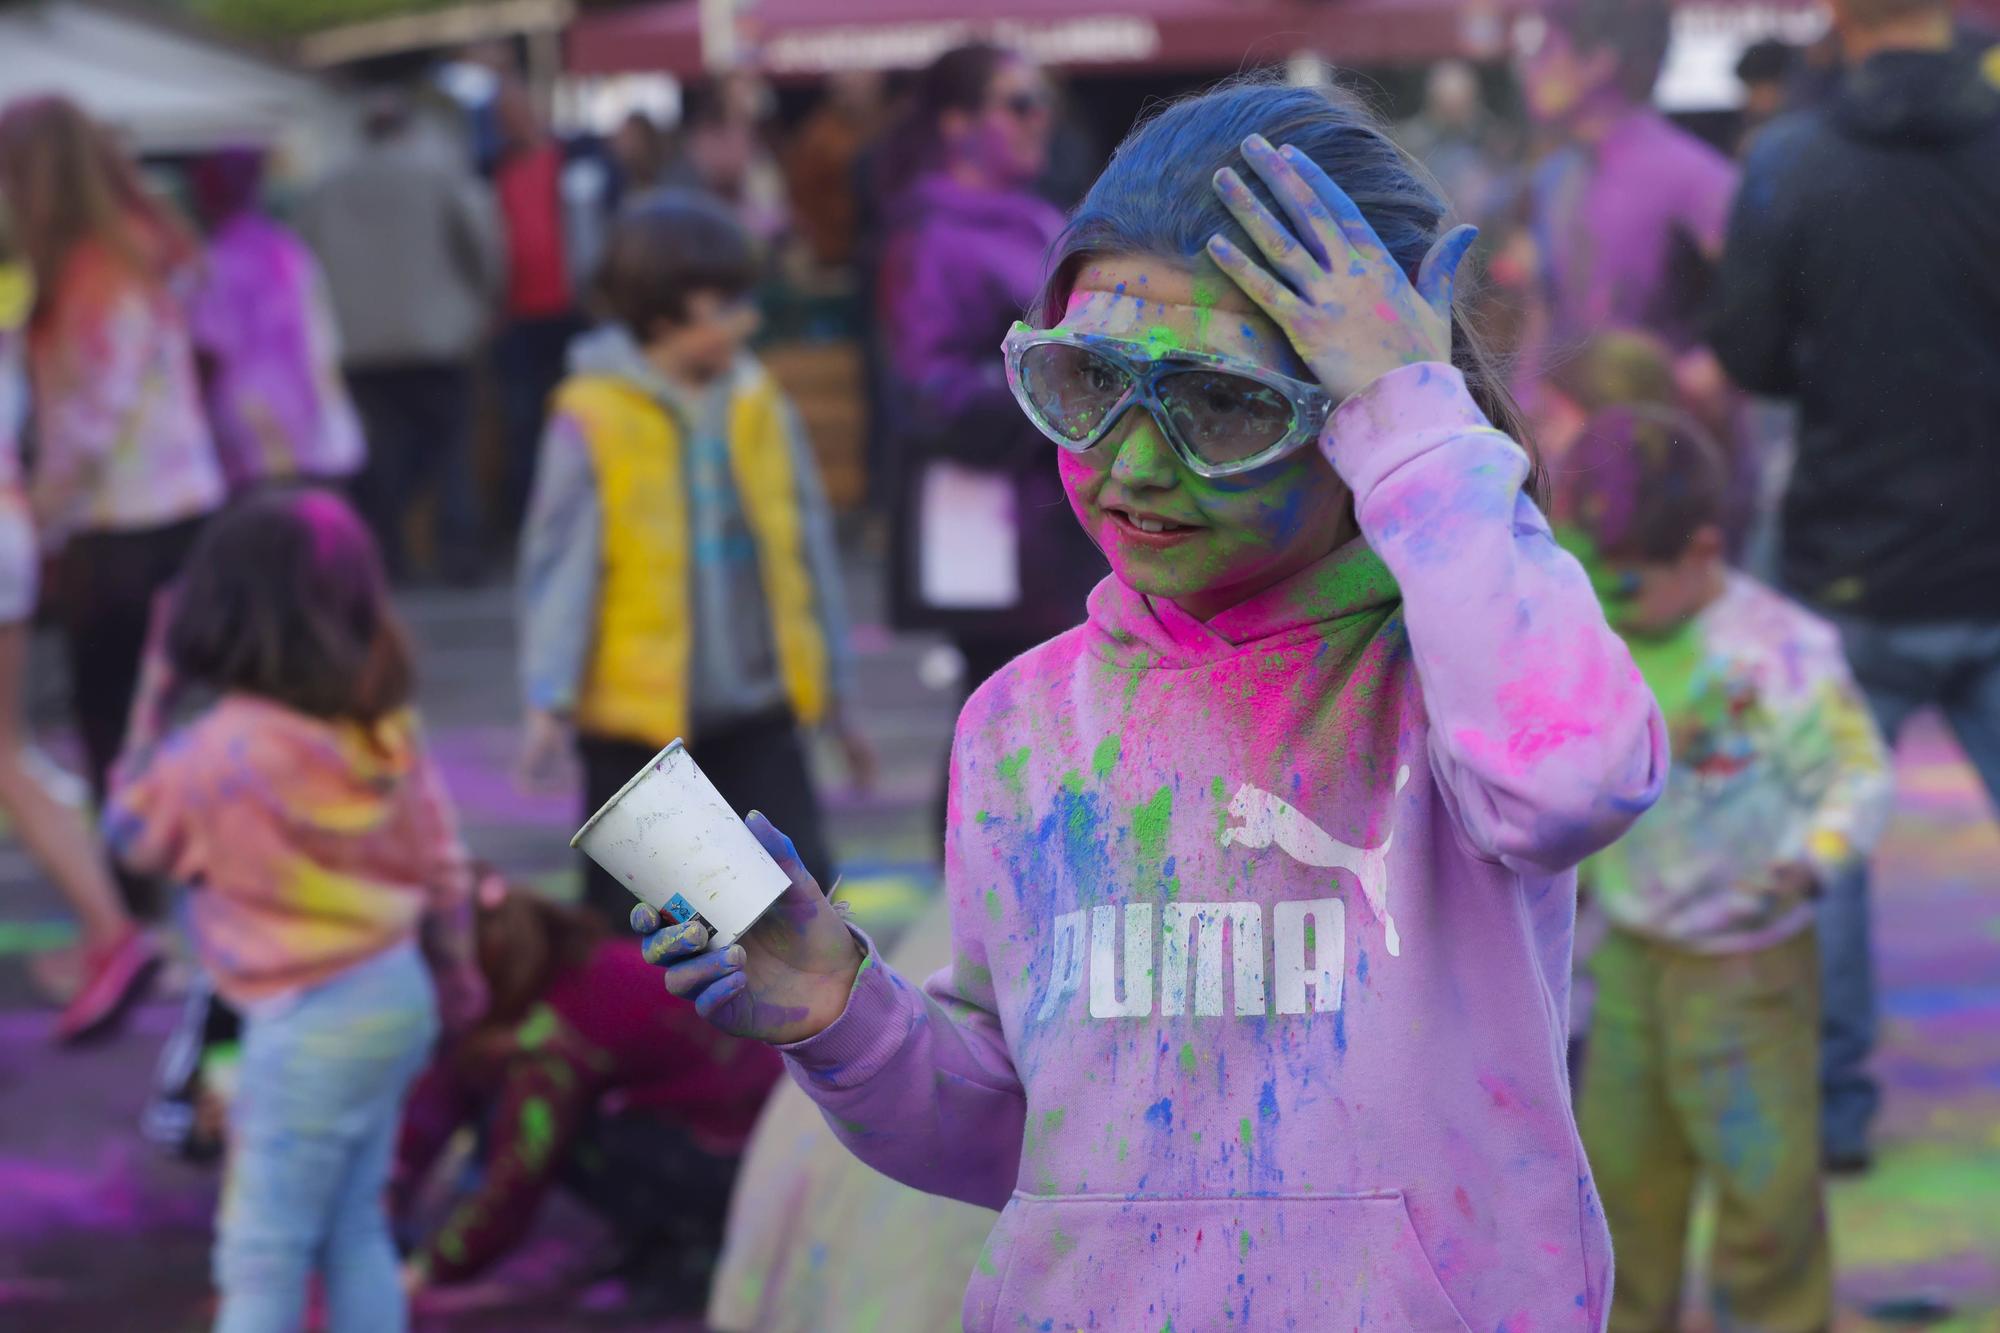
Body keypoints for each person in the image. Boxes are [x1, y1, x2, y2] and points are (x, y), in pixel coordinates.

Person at [637, 79, 1668, 1330]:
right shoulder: (1020, 729)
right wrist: (845, 1016)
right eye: (1081, 386)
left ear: (1354, 415)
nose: (1128, 465)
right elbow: (1029, 1145)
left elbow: (1573, 778)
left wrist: (1417, 422)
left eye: (1220, 404)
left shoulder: (1445, 680)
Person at [1710, 0, 2000, 1173]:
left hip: (1847, 556)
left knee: (1825, 847)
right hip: (1990, 548)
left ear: (1837, 20)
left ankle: (1834, 1114)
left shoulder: (1791, 162)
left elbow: (1743, 350)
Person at [104, 489, 485, 1333]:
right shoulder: (379, 729)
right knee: (355, 1227)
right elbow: (444, 868)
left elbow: (129, 831)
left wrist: (155, 688)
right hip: (395, 995)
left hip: (300, 1019)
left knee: (261, 1252)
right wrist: (459, 973)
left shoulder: (217, 750)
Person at [1556, 407, 1892, 1332]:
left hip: (1750, 967)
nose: (1605, 600)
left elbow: (1854, 775)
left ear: (1703, 549)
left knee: (1765, 1195)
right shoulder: (1603, 630)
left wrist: (1810, 863)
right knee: (1623, 1187)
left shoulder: (1779, 652)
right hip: (1627, 962)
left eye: (1624, 582)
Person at [517, 190, 868, 925]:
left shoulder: (758, 401)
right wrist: (550, 695)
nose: (750, 319)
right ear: (662, 310)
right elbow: (560, 563)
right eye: (727, 302)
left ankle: (797, 1043)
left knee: (799, 908)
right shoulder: (594, 412)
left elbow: (804, 547)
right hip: (639, 725)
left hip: (759, 704)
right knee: (649, 925)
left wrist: (833, 686)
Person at [0, 96, 226, 904]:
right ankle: (163, 896)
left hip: (123, 529)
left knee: (116, 728)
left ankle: (137, 912)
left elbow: (89, 422)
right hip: (177, 514)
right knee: (154, 721)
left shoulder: (94, 268)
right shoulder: (139, 247)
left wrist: (38, 514)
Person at [395, 874, 780, 1308]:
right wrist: (392, 1186)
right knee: (532, 1108)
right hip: (755, 1119)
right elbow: (448, 1090)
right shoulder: (562, 963)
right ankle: (665, 1244)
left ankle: (687, 1255)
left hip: (742, 1151)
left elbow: (519, 1174)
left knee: (556, 1131)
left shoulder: (554, 1033)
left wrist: (426, 1271)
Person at [876, 43, 1106, 696]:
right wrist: (1062, 378)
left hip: (1064, 510)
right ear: (958, 124)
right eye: (1021, 103)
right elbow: (929, 394)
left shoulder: (1039, 215)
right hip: (995, 528)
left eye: (1047, 103)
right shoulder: (929, 235)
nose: (1042, 119)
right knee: (1008, 721)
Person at [0, 199, 158, 1042]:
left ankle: (110, 928)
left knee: (7, 757)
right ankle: (108, 925)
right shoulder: (20, 289)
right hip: (11, 524)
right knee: (10, 753)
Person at [299, 91, 502, 582]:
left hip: (359, 344)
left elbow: (305, 262)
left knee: (384, 454)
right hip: (438, 338)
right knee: (452, 452)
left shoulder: (324, 186)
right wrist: (483, 306)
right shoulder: (437, 175)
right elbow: (483, 244)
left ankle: (390, 556)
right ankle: (458, 554)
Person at [187, 147, 366, 493]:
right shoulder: (290, 249)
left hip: (251, 437)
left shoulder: (215, 260)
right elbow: (323, 337)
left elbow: (209, 347)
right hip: (314, 428)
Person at [490, 76, 593, 536]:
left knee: (579, 419)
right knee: (523, 425)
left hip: (570, 311)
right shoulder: (492, 171)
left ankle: (581, 514)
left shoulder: (573, 162)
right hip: (517, 316)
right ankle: (533, 522)